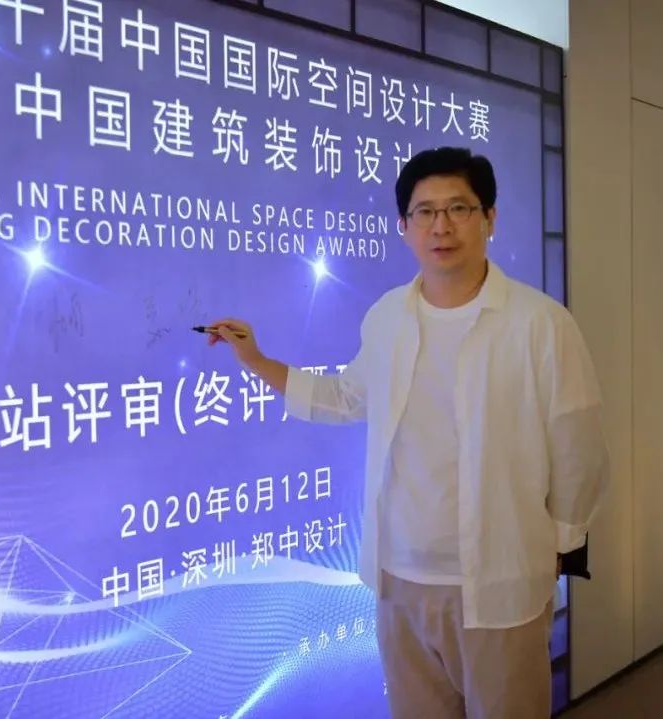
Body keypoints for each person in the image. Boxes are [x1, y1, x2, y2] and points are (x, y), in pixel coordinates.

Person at [206, 147, 609, 719]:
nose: (441, 226)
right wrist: (257, 360)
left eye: (459, 208)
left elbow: (578, 440)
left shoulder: (539, 323)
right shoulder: (388, 316)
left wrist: (561, 544)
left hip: (501, 577)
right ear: (404, 226)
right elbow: (347, 397)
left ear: (489, 218)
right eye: (424, 212)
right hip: (401, 577)